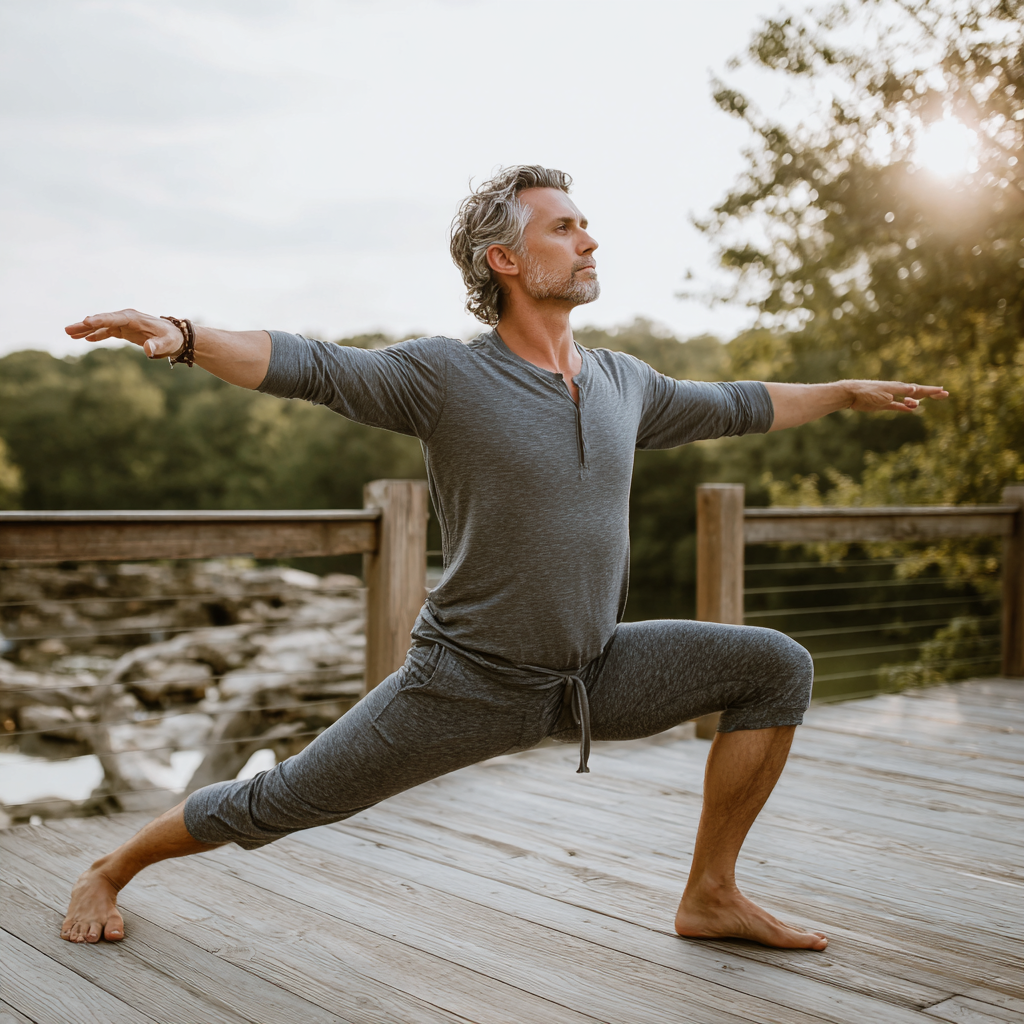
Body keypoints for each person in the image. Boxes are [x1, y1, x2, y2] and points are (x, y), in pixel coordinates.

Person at [60, 165, 947, 951]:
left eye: (584, 223)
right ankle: (111, 866)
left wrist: (837, 394)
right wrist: (179, 333)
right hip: (464, 683)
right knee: (282, 801)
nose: (589, 237)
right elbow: (310, 364)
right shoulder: (447, 376)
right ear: (505, 261)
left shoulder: (624, 383)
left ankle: (711, 897)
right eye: (563, 227)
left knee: (773, 668)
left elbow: (739, 402)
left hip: (593, 673)